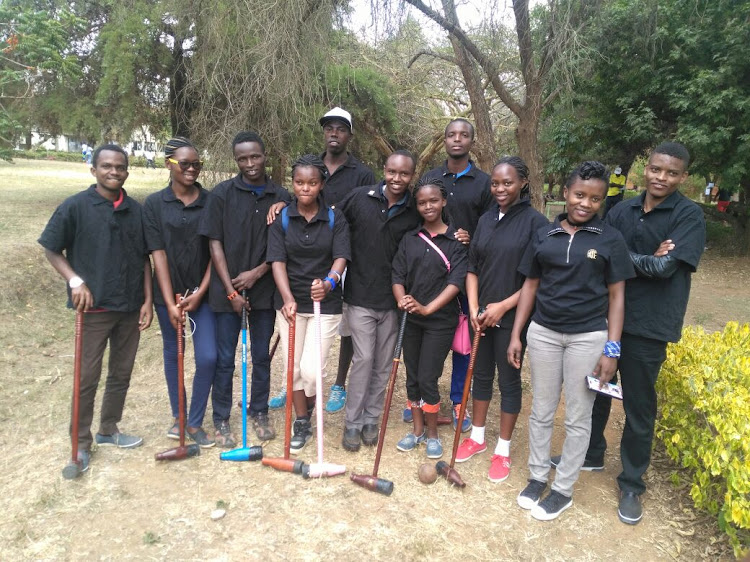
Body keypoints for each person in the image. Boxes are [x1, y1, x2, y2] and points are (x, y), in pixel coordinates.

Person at [560, 142, 706, 525]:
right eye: (656, 169)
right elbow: (603, 253)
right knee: (596, 390)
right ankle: (591, 454)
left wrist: (635, 259)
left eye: (672, 173)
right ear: (647, 168)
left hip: (650, 326)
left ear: (683, 177)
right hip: (606, 319)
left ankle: (631, 483)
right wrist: (646, 259)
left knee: (639, 407)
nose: (661, 177)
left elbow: (664, 270)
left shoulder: (689, 216)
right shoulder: (622, 209)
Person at [508, 161, 634, 521]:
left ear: (602, 200)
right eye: (579, 194)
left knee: (579, 416)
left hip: (588, 337)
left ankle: (562, 488)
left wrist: (612, 349)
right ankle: (536, 477)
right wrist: (517, 333)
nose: (585, 203)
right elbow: (530, 285)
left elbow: (617, 298)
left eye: (595, 198)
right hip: (544, 332)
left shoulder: (610, 239)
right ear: (565, 193)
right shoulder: (545, 235)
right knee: (542, 410)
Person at [39, 144, 153, 474]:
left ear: (127, 172)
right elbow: (52, 249)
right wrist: (75, 281)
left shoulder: (136, 210)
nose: (113, 171)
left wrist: (147, 300)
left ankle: (108, 429)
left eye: (119, 167)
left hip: (130, 306)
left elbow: (145, 259)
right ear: (94, 170)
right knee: (87, 377)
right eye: (106, 166)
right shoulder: (75, 207)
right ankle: (81, 444)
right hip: (93, 309)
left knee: (121, 372)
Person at [266, 106, 375, 413]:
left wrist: (332, 278)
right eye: (329, 127)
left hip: (338, 260)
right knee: (296, 362)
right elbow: (293, 208)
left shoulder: (362, 174)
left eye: (341, 128)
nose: (334, 133)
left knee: (338, 334)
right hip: (299, 265)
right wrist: (281, 203)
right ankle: (297, 400)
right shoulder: (309, 166)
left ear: (349, 135)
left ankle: (337, 384)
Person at [455, 156, 548, 482]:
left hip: (513, 318)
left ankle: (503, 450)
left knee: (508, 383)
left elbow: (535, 281)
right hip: (482, 315)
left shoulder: (537, 223)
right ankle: (478, 438)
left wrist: (501, 307)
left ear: (523, 182)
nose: (500, 189)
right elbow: (472, 268)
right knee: (480, 376)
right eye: (495, 183)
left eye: (507, 182)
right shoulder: (485, 220)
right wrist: (477, 306)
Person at [198, 131, 291, 446]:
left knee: (261, 356)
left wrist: (258, 272)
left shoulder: (282, 196)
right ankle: (222, 417)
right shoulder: (221, 194)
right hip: (227, 294)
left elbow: (284, 246)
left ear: (265, 156)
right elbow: (215, 245)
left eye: (255, 156)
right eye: (242, 158)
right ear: (236, 160)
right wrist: (231, 291)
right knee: (225, 358)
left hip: (264, 291)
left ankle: (259, 410)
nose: (250, 163)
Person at [267, 154, 350, 453]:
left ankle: (312, 408)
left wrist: (329, 281)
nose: (305, 188)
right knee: (293, 370)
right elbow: (277, 261)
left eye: (312, 183)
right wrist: (287, 298)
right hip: (290, 304)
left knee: (312, 370)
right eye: (299, 182)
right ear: (292, 183)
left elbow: (341, 256)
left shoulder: (334, 217)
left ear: (321, 184)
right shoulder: (283, 218)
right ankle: (302, 419)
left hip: (323, 305)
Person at [339, 150, 420, 452]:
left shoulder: (415, 208)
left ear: (412, 175)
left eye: (404, 174)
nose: (397, 179)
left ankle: (371, 418)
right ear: (383, 170)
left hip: (394, 300)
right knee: (363, 360)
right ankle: (352, 422)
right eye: (392, 172)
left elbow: (436, 233)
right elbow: (332, 220)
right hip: (359, 294)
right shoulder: (360, 197)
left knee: (384, 363)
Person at [417, 118, 493, 431]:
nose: (457, 139)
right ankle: (422, 398)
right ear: (444, 140)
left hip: (469, 273)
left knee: (464, 337)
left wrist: (470, 237)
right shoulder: (431, 177)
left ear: (472, 142)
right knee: (426, 335)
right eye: (451, 135)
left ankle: (460, 395)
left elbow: (491, 226)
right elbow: (418, 217)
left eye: (463, 135)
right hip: (432, 270)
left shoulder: (484, 182)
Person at [143, 137, 217, 448]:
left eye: (196, 164)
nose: (191, 169)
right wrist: (169, 300)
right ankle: (179, 415)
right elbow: (156, 253)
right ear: (168, 164)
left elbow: (216, 252)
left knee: (209, 356)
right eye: (184, 163)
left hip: (203, 295)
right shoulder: (154, 204)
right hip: (167, 297)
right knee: (174, 355)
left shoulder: (210, 201)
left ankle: (195, 420)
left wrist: (200, 292)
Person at [392, 178, 468, 459]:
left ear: (444, 201)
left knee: (427, 377)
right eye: (422, 202)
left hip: (440, 321)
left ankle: (433, 435)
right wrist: (402, 299)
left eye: (433, 201)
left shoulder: (456, 242)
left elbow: (456, 283)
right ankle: (417, 430)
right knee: (412, 376)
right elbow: (397, 275)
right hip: (410, 320)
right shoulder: (410, 239)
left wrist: (427, 308)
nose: (428, 206)